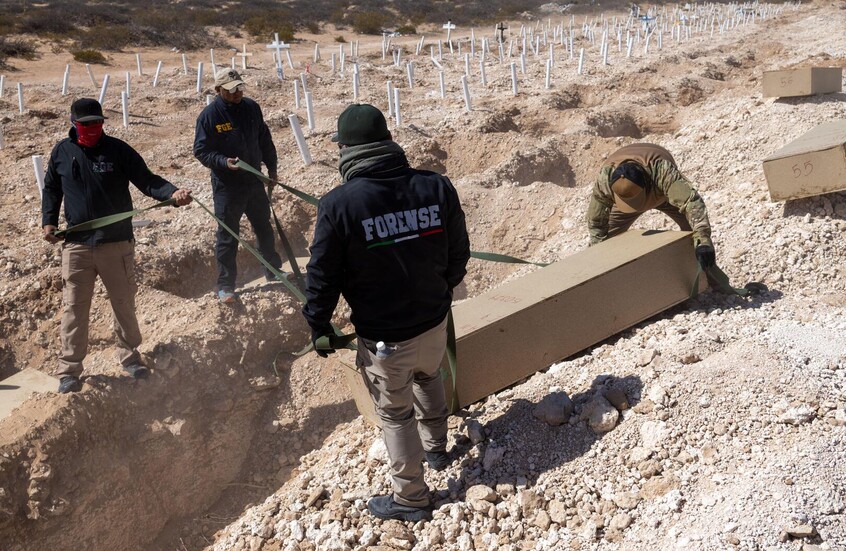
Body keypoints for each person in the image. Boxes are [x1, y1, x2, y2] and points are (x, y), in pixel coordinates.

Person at [302, 104, 471, 522]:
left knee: (395, 415)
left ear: (345, 150)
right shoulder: (436, 187)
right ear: (388, 141)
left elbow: (323, 276)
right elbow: (458, 253)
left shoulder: (338, 205)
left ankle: (410, 498)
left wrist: (318, 324)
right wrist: (441, 292)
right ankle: (437, 449)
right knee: (429, 376)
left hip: (385, 339)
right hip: (434, 322)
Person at [41, 98, 192, 394]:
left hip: (117, 243)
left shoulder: (118, 150)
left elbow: (147, 180)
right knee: (74, 309)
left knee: (123, 303)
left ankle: (130, 357)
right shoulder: (62, 152)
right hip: (77, 247)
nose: (92, 128)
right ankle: (69, 371)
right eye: (86, 124)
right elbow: (52, 188)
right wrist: (48, 221)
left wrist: (173, 194)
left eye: (97, 123)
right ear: (74, 124)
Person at [193, 68, 283, 304]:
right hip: (228, 187)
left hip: (254, 181)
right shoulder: (209, 116)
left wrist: (272, 169)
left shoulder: (252, 108)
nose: (237, 93)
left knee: (264, 227)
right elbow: (201, 151)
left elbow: (264, 139)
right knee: (228, 236)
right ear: (218, 90)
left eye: (239, 88)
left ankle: (273, 272)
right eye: (231, 90)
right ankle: (226, 286)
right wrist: (223, 162)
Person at [586, 142, 716, 270]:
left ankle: (705, 274)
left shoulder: (662, 172)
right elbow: (596, 221)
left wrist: (703, 241)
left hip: (662, 195)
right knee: (606, 243)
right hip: (624, 205)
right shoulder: (605, 178)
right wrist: (601, 257)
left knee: (694, 234)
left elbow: (691, 202)